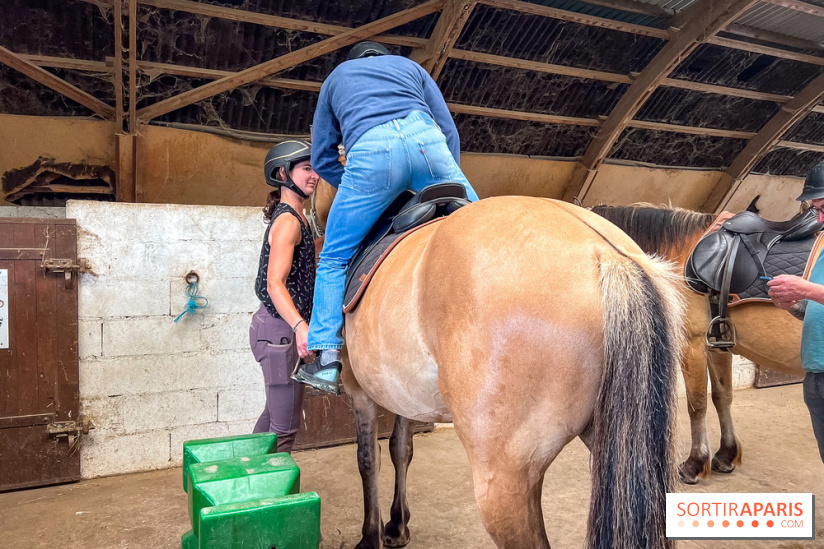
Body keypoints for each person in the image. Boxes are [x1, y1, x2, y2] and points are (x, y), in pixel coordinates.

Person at [290, 41, 480, 395]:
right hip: (429, 146)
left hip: (371, 154)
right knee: (487, 230)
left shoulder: (335, 79)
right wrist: (448, 180)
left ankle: (327, 359)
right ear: (383, 57)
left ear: (354, 61)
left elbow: (322, 156)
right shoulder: (412, 68)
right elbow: (449, 130)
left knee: (332, 258)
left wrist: (353, 186)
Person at [250, 139, 319, 452]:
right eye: (306, 167)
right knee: (285, 430)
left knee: (272, 422)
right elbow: (274, 283)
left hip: (276, 329)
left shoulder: (298, 217)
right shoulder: (289, 220)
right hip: (280, 331)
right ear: (282, 172)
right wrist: (299, 326)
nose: (314, 174)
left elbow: (304, 260)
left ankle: (245, 482)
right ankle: (269, 497)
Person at [767, 159, 824, 463]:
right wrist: (793, 305)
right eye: (817, 209)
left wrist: (805, 289)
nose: (819, 216)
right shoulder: (823, 244)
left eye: (823, 206)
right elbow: (814, 308)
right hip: (816, 373)